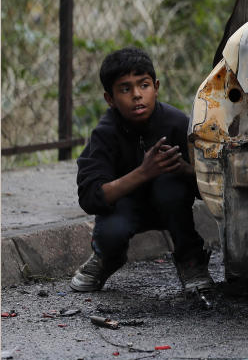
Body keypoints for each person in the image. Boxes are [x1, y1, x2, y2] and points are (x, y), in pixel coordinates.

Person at [70, 47, 213, 293]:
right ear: (110, 99)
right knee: (111, 232)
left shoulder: (178, 124)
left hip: (171, 205)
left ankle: (191, 260)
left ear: (156, 87)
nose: (137, 95)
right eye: (125, 89)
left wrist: (186, 171)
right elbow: (91, 197)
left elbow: (213, 186)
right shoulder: (104, 134)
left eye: (144, 85)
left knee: (171, 189)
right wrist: (144, 172)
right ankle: (107, 257)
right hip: (124, 208)